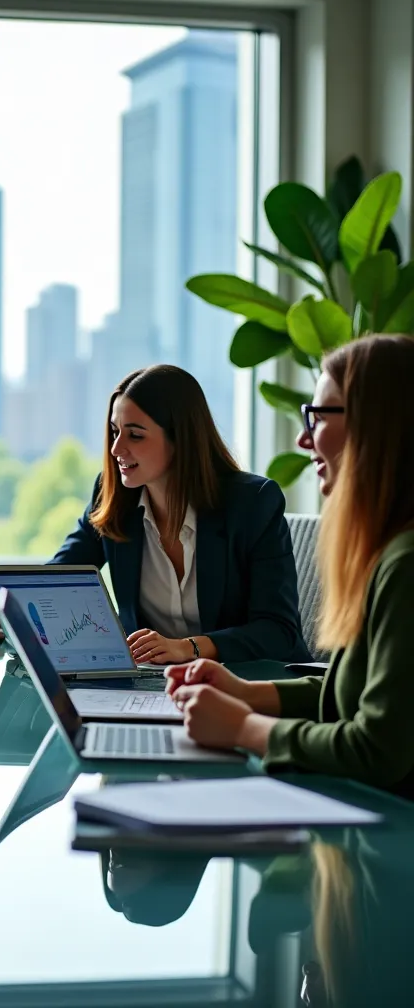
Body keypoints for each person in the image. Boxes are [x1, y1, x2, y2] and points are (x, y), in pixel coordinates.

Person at [166, 335, 414, 797]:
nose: (304, 438)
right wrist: (245, 693)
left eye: (318, 416)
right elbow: (350, 697)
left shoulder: (406, 565)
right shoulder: (389, 552)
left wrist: (244, 729)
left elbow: (377, 748)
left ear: (376, 427)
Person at [50, 364, 308, 665]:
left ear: (180, 439)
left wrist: (188, 648)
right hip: (154, 687)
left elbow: (278, 632)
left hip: (244, 683)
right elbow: (54, 580)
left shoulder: (253, 504)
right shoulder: (112, 497)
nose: (116, 449)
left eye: (135, 435)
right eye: (115, 432)